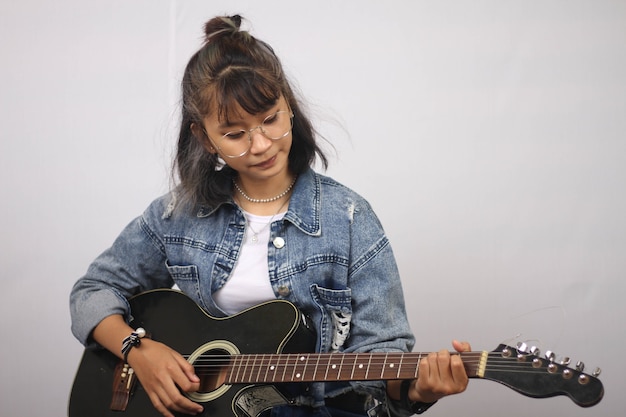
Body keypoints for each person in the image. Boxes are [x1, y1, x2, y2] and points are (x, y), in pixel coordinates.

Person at [70, 15, 470, 417]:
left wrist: (418, 390)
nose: (260, 144)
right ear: (203, 138)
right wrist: (138, 351)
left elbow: (380, 361)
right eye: (234, 133)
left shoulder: (348, 219)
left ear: (289, 108)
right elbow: (91, 292)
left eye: (270, 119)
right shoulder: (178, 215)